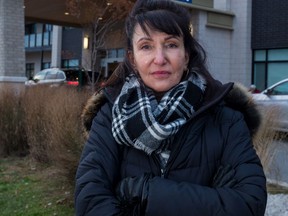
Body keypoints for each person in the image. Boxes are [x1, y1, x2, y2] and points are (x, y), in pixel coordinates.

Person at [75, 0, 267, 215]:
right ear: (133, 59)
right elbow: (89, 202)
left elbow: (250, 204)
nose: (159, 59)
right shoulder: (109, 116)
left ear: (186, 56)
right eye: (146, 46)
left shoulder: (226, 117)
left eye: (171, 44)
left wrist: (147, 192)